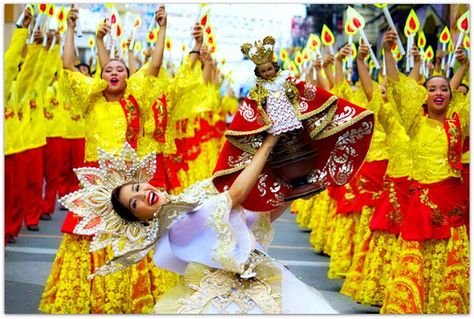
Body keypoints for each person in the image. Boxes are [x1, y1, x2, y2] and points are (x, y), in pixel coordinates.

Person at [62, 140, 338, 314]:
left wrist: (292, 193)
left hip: (256, 281)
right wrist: (267, 146)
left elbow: (254, 219)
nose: (141, 194)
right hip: (235, 301)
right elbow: (236, 196)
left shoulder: (186, 199)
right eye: (134, 204)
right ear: (142, 219)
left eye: (136, 188)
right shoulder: (177, 227)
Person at [39, 5, 179, 314]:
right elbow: (68, 66)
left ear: (130, 79)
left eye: (120, 70)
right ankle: (88, 292)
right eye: (108, 70)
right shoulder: (90, 101)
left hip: (129, 186)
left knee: (131, 235)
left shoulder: (135, 100)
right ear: (101, 78)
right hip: (96, 183)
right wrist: (71, 28)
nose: (114, 72)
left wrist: (163, 28)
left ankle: (130, 293)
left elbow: (154, 66)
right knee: (86, 235)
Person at [212, 36, 375, 213]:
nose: (267, 73)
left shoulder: (285, 80)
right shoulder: (258, 89)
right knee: (282, 151)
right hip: (273, 124)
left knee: (298, 146)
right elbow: (252, 106)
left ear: (274, 67)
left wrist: (294, 94)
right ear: (259, 73)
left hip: (291, 119)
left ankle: (301, 178)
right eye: (263, 71)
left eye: (269, 69)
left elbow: (304, 91)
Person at [380, 30, 469, 314]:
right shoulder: (415, 123)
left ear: (451, 95)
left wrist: (467, 65)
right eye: (432, 89)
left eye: (444, 88)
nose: (438, 93)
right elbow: (396, 84)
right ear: (424, 95)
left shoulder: (460, 121)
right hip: (422, 204)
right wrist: (388, 52)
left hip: (452, 202)